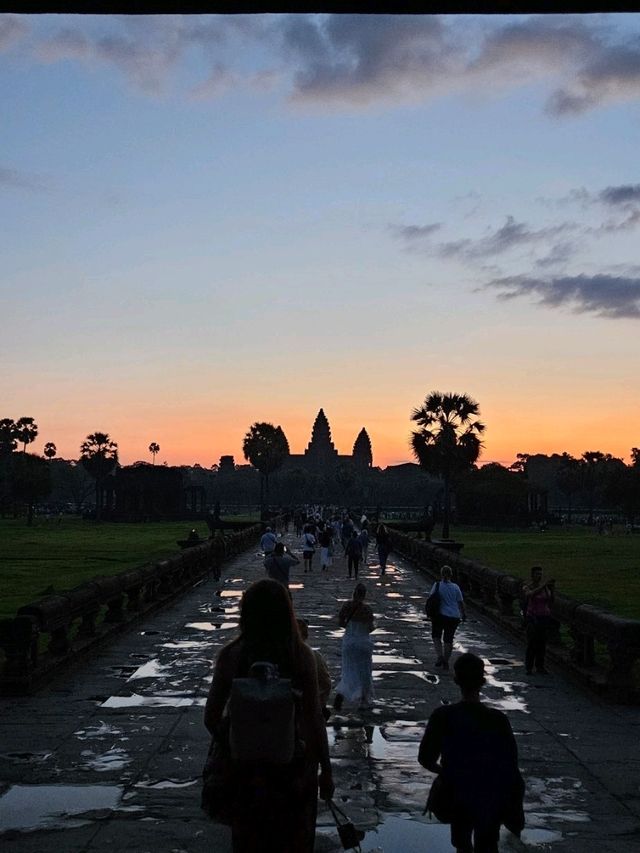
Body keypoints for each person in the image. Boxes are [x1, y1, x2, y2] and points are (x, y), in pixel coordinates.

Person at [204, 579, 334, 853]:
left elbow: (211, 717)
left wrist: (237, 738)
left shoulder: (231, 655)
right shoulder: (300, 656)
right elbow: (314, 720)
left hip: (244, 771)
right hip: (292, 768)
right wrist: (325, 770)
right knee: (294, 841)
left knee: (248, 840)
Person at [418, 652, 524, 853]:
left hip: (458, 791)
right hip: (491, 793)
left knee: (462, 844)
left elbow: (425, 758)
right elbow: (511, 766)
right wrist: (514, 807)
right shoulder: (498, 719)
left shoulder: (443, 716)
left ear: (457, 680)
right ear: (483, 681)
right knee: (488, 844)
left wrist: (446, 773)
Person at [333, 583, 375, 712]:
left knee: (348, 671)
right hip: (363, 642)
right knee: (364, 672)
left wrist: (350, 627)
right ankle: (363, 700)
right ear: (364, 595)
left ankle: (341, 693)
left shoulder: (346, 606)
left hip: (349, 642)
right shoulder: (367, 609)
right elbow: (370, 628)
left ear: (354, 593)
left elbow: (340, 623)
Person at [430, 565, 466, 670]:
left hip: (439, 615)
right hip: (454, 616)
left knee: (436, 636)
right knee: (448, 639)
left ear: (441, 574)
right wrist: (463, 614)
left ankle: (439, 656)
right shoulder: (455, 587)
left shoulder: (437, 585)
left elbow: (431, 599)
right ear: (451, 575)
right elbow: (461, 602)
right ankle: (446, 660)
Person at [522, 565, 555, 675]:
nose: (539, 576)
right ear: (532, 575)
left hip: (544, 617)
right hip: (533, 618)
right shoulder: (528, 587)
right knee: (532, 643)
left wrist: (551, 589)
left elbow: (550, 600)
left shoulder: (545, 588)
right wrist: (543, 586)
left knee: (542, 643)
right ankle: (529, 667)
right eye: (537, 574)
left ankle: (540, 666)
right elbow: (529, 595)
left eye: (540, 574)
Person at [297, 618, 332, 715]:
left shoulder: (279, 656)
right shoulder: (313, 656)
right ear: (306, 635)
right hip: (309, 707)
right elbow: (326, 683)